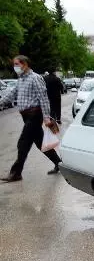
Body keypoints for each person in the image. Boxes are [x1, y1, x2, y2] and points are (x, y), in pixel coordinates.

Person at [0, 55, 62, 183]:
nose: (15, 67)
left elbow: (44, 98)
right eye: (14, 64)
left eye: (17, 64)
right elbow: (11, 94)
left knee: (22, 143)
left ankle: (16, 173)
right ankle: (59, 163)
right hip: (26, 116)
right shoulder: (21, 80)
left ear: (25, 64)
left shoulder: (35, 78)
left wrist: (46, 117)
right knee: (40, 143)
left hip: (35, 115)